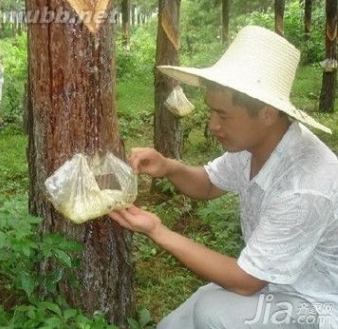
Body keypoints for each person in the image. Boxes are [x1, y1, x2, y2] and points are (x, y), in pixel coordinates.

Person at [109, 26, 338, 329]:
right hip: (273, 284)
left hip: (316, 304)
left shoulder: (304, 186)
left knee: (214, 311)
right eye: (211, 112)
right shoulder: (257, 143)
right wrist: (169, 167)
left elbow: (246, 282)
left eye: (223, 115)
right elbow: (208, 183)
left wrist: (157, 230)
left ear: (267, 113)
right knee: (173, 325)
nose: (213, 125)